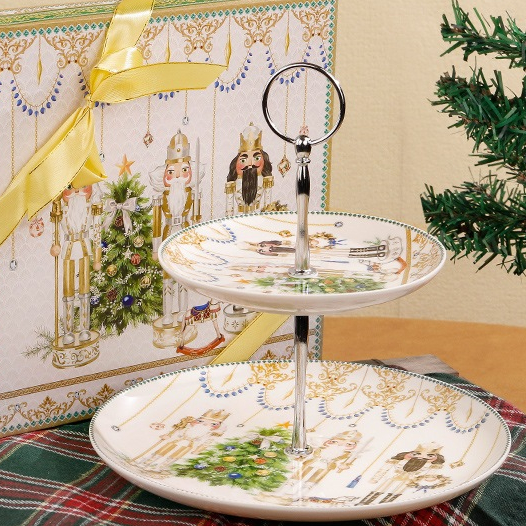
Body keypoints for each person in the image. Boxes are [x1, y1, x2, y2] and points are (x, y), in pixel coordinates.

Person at [51, 184, 102, 345]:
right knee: (68, 289)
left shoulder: (90, 207)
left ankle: (84, 328)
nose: (77, 192)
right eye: (71, 187)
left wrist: (98, 257)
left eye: (83, 186)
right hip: (68, 248)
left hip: (85, 246)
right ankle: (68, 330)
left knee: (84, 288)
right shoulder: (62, 208)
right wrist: (55, 243)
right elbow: (55, 227)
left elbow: (97, 230)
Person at [225, 122, 274, 216]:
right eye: (243, 160)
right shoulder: (233, 183)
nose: (250, 164)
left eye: (256, 158)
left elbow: (267, 205)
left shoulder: (265, 180)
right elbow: (229, 209)